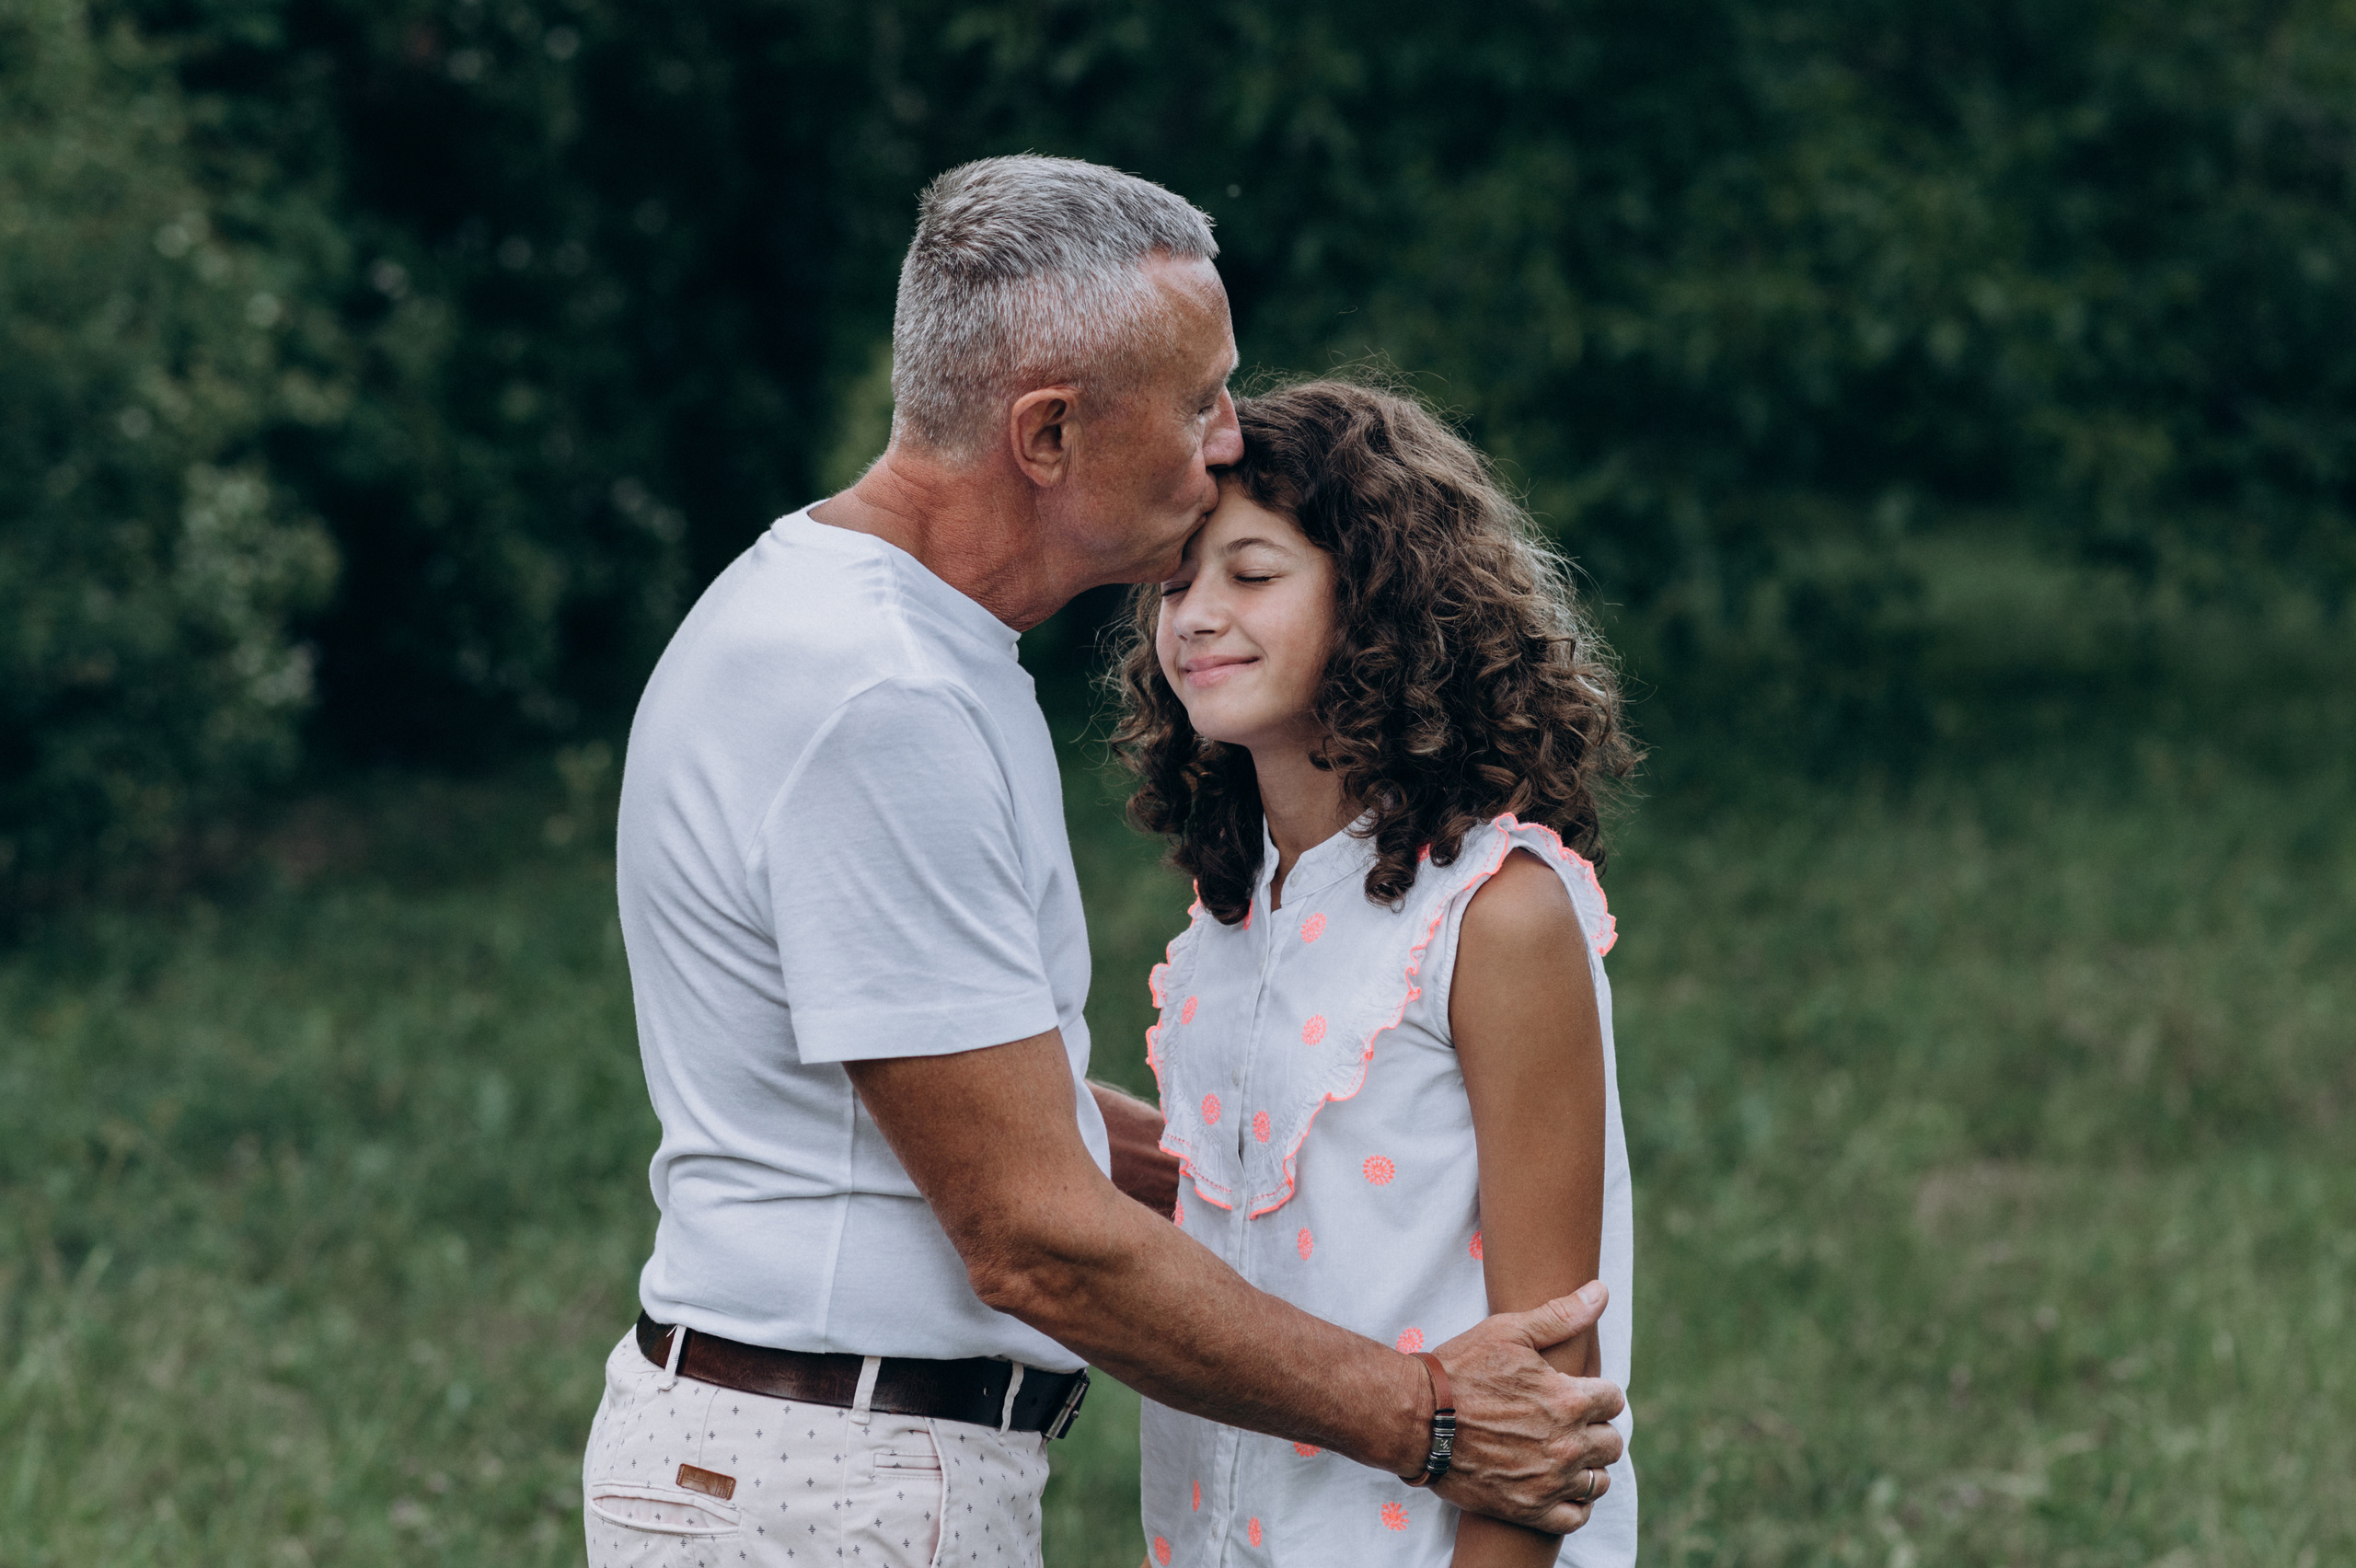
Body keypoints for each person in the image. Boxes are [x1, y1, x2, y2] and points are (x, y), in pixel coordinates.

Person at [583, 156, 1625, 1568]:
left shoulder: (877, 638)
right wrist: (1431, 1418)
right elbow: (1033, 1235)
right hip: (823, 1483)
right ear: (1050, 431)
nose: (1224, 436)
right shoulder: (880, 693)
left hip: (818, 1460)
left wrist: (1293, 1141)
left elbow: (965, 1086)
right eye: (1198, 398)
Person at [1111, 378, 1644, 1567]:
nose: (1196, 614)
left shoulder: (1497, 915)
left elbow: (1550, 1363)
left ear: (1382, 606)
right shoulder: (1237, 909)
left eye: (1251, 575)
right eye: (1175, 581)